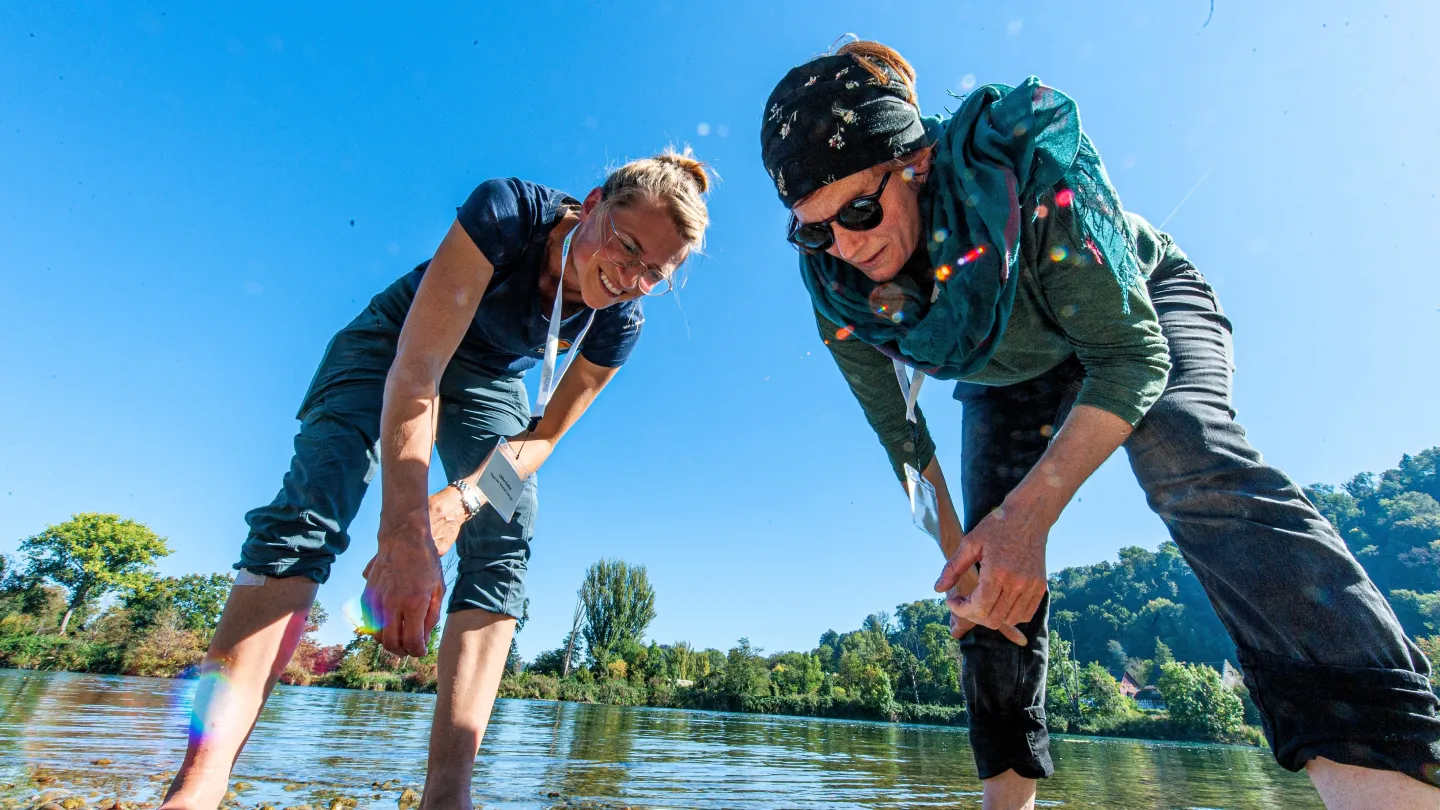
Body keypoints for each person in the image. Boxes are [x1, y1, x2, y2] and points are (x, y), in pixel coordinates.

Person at [759, 39, 1440, 810]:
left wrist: (1032, 515)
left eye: (858, 210)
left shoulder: (1018, 165)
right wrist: (969, 565)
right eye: (815, 230)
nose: (847, 247)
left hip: (1135, 309)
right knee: (983, 568)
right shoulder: (833, 285)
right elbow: (903, 439)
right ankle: (1006, 803)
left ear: (913, 162)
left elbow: (1130, 359)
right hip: (1009, 370)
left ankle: (1389, 775)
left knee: (1182, 453)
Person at [159, 149, 712, 810]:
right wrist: (404, 534)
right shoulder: (509, 212)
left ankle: (448, 796)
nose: (631, 278)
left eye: (657, 273)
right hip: (400, 342)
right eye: (626, 248)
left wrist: (456, 504)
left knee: (505, 526)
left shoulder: (621, 322)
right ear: (591, 206)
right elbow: (417, 374)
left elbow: (541, 438)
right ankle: (199, 782)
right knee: (317, 501)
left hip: (491, 379)